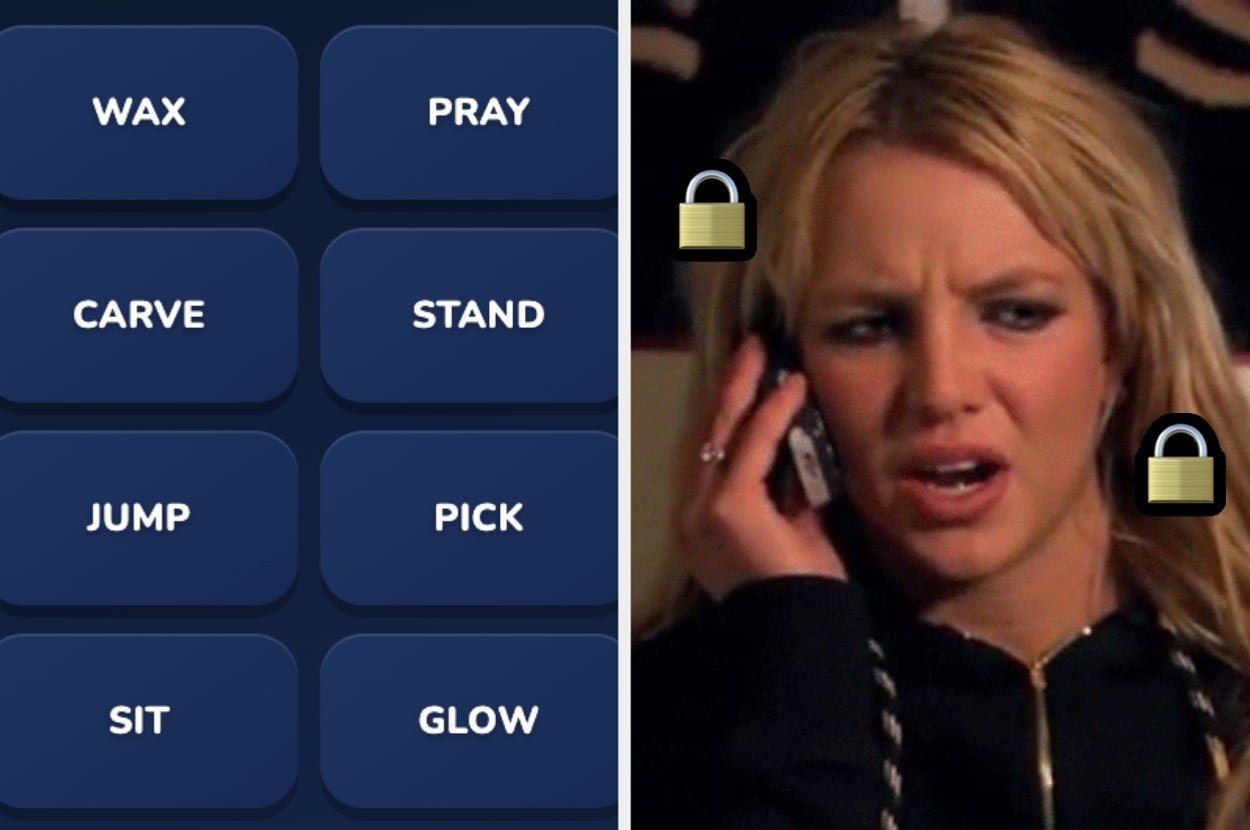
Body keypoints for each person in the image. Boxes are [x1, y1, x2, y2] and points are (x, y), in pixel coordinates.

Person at [632, 14, 1250, 830]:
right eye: (869, 327)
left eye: (1017, 313)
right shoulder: (651, 731)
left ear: (1122, 344)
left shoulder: (1231, 686)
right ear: (777, 374)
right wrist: (793, 652)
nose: (941, 391)